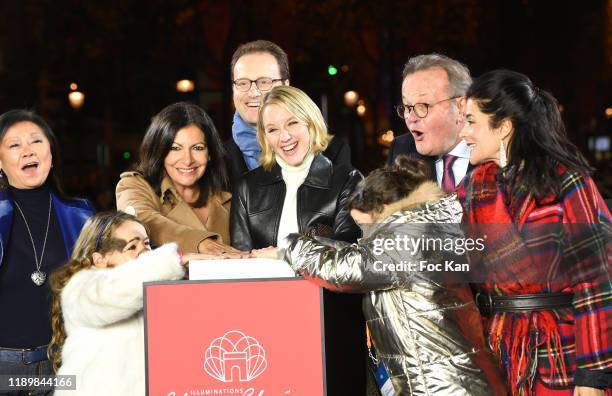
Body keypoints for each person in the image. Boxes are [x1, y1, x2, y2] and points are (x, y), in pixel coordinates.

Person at [253, 156, 506, 395]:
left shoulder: (408, 240)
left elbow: (345, 268)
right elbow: (361, 253)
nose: (364, 237)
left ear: (383, 209)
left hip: (442, 385)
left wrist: (289, 247)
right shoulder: (425, 227)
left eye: (366, 228)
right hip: (454, 380)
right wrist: (311, 244)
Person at [457, 69, 611, 395]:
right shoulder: (472, 188)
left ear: (503, 127)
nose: (464, 133)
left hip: (560, 358)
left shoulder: (567, 182)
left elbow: (597, 283)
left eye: (472, 121)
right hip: (497, 354)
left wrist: (593, 376)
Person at [230, 85, 364, 395]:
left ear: (310, 123)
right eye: (272, 129)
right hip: (265, 326)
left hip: (330, 327)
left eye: (292, 123)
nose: (284, 137)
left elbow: (346, 256)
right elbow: (240, 262)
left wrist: (281, 254)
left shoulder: (347, 180)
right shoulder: (247, 188)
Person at [48, 211, 211, 396]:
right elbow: (116, 293)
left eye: (147, 243)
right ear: (100, 260)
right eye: (132, 247)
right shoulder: (81, 288)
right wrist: (176, 260)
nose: (145, 253)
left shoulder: (151, 289)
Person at [0, 109, 94, 394]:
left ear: (51, 153)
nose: (27, 151)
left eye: (36, 141)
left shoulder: (82, 215)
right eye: (14, 144)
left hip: (61, 365)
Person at [116, 102, 242, 256]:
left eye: (197, 148)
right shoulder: (134, 185)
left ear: (209, 153)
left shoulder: (230, 198)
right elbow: (142, 222)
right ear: (160, 151)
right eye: (175, 148)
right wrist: (201, 242)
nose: (187, 160)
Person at [224, 39, 350, 186]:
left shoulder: (334, 152)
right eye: (243, 83)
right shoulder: (215, 160)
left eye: (264, 82)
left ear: (286, 85)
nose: (253, 92)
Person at [387, 53, 473, 192]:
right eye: (407, 107)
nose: (410, 117)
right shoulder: (402, 151)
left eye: (423, 105)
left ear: (461, 107)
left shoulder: (496, 152)